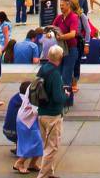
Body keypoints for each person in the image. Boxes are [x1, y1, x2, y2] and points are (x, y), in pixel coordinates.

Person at [36, 45, 68, 178]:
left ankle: (50, 172)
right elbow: (57, 97)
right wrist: (65, 94)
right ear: (60, 58)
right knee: (52, 147)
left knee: (47, 145)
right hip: (52, 115)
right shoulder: (55, 74)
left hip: (42, 113)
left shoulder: (42, 69)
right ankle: (43, 175)